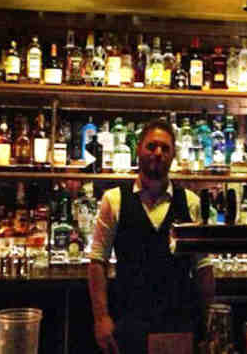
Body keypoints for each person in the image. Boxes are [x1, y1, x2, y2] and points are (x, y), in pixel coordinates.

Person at [88, 119, 215, 354]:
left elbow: (202, 267)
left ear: (173, 155)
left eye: (165, 148)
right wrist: (101, 317)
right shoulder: (113, 200)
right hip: (129, 319)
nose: (158, 153)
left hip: (178, 321)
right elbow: (97, 261)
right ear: (138, 149)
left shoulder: (191, 202)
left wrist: (210, 321)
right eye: (151, 146)